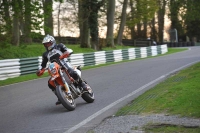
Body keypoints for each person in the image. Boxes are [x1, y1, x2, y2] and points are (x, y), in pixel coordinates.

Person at [36, 34, 88, 105]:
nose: (47, 45)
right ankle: (60, 96)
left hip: (65, 65)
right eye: (46, 44)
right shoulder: (45, 54)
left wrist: (66, 53)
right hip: (55, 69)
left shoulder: (59, 46)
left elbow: (67, 50)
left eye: (48, 43)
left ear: (53, 42)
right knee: (50, 83)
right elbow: (43, 65)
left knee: (72, 72)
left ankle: (82, 84)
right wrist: (40, 70)